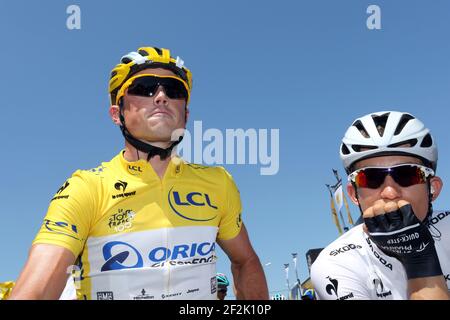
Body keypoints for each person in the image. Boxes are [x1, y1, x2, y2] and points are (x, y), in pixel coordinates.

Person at [9, 46, 268, 300]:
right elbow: (37, 290)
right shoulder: (86, 187)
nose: (161, 96)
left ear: (186, 115)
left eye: (174, 90)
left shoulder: (218, 183)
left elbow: (245, 261)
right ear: (117, 114)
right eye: (144, 87)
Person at [311, 111, 450, 300]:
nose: (390, 192)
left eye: (407, 174)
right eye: (370, 178)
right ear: (354, 195)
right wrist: (419, 259)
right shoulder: (335, 264)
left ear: (433, 188)